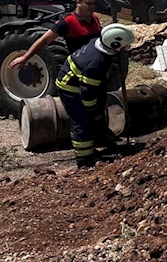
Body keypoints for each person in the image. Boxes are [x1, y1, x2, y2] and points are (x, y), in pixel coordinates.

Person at [55, 23, 135, 168]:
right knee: (82, 120)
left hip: (83, 82)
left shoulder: (99, 45)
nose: (126, 49)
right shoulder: (96, 62)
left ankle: (100, 140)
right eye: (125, 46)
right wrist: (93, 111)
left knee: (98, 111)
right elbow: (87, 93)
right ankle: (84, 159)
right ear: (115, 44)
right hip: (70, 88)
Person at [8, 0, 101, 70]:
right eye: (88, 4)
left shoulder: (95, 18)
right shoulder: (68, 22)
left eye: (93, 4)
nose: (92, 7)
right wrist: (25, 58)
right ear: (78, 3)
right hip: (80, 68)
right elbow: (43, 40)